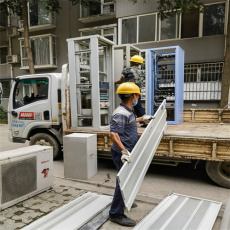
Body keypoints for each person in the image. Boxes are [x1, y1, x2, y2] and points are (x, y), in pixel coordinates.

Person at [109, 82, 153, 227]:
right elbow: (113, 134)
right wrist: (123, 151)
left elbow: (130, 122)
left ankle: (125, 199)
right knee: (122, 182)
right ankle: (116, 213)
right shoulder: (121, 113)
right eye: (138, 95)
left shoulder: (128, 110)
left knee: (126, 180)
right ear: (133, 95)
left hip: (127, 151)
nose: (138, 97)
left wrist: (142, 119)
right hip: (122, 153)